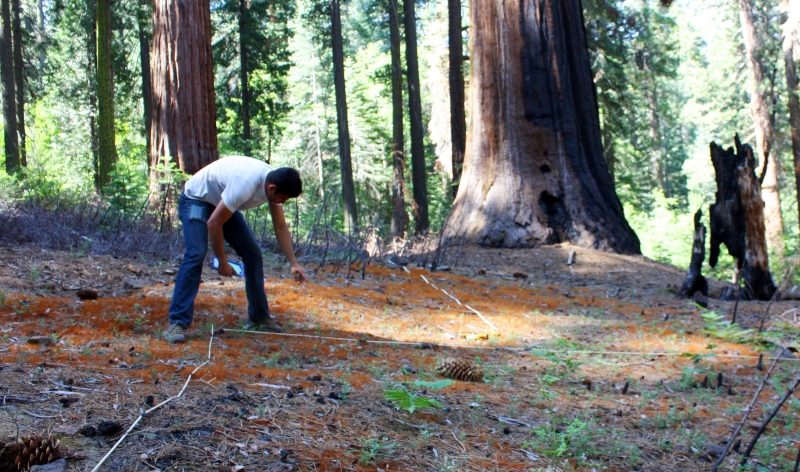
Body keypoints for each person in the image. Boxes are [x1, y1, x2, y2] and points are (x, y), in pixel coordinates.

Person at [163, 156, 308, 343]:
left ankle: (259, 317)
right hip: (196, 199)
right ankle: (177, 322)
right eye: (282, 198)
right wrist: (222, 262)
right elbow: (214, 224)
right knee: (196, 253)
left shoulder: (273, 182)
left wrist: (294, 263)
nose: (282, 202)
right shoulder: (245, 184)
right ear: (272, 188)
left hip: (221, 203)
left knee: (253, 254)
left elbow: (280, 226)